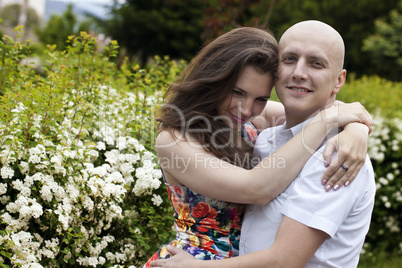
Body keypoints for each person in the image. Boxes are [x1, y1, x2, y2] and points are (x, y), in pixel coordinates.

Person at [149, 21, 376, 268]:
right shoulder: (174, 139)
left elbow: (305, 107)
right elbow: (255, 188)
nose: (246, 109)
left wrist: (356, 128)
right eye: (236, 92)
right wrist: (330, 120)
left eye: (261, 98)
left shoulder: (252, 121)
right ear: (214, 81)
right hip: (189, 261)